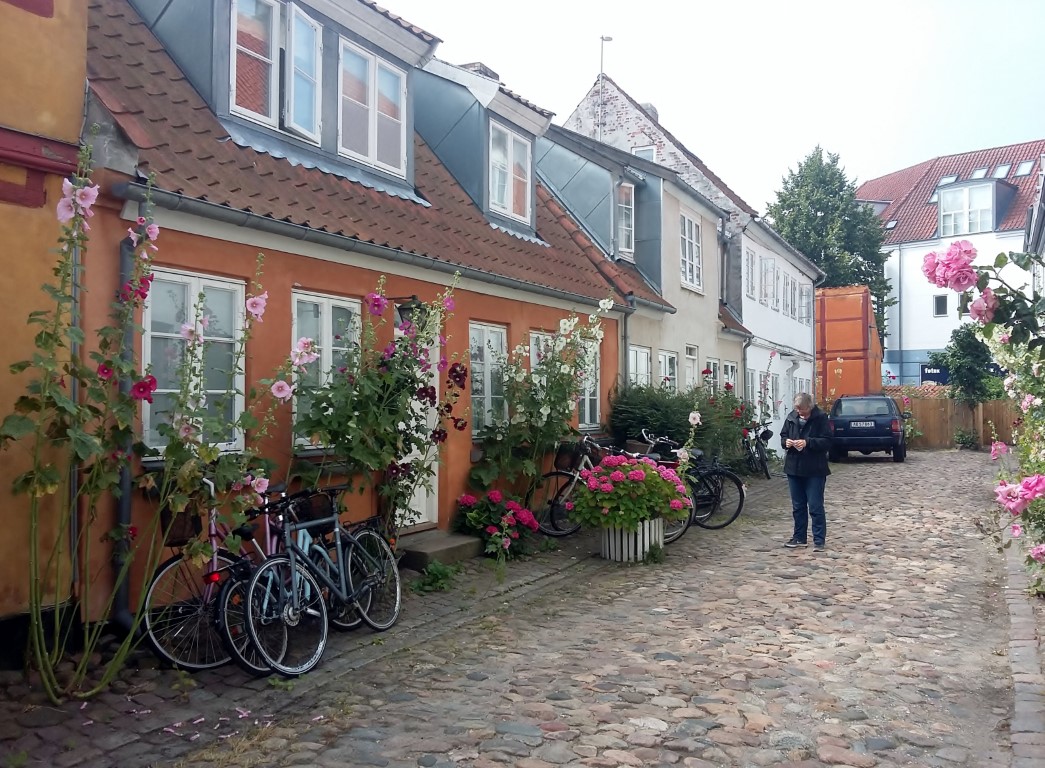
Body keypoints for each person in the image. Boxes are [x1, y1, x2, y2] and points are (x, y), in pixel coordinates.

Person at [779, 392, 832, 552]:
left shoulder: (820, 418)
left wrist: (807, 442)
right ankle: (799, 537)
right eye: (797, 408)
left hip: (815, 469)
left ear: (810, 407)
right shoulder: (791, 417)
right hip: (794, 467)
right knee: (798, 506)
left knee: (815, 506)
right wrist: (786, 442)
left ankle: (819, 540)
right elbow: (783, 436)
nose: (799, 412)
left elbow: (827, 441)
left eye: (802, 409)